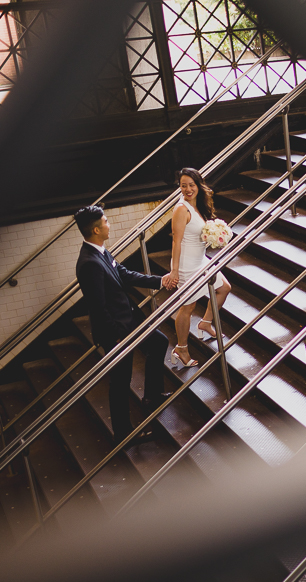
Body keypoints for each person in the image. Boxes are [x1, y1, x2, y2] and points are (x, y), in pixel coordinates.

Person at [74, 205, 173, 444]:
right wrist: (117, 336)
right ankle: (122, 433)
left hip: (128, 317)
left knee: (158, 342)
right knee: (120, 381)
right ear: (96, 229)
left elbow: (125, 274)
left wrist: (160, 280)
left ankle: (152, 396)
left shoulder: (100, 252)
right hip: (117, 330)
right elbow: (97, 307)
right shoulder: (89, 263)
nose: (110, 224)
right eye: (106, 221)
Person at [168, 167, 232, 368]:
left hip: (200, 260)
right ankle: (181, 348)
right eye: (183, 186)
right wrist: (175, 271)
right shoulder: (181, 209)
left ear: (198, 185)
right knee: (187, 307)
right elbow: (176, 242)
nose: (187, 189)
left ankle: (205, 323)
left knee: (224, 288)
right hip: (187, 265)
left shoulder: (196, 206)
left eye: (191, 185)